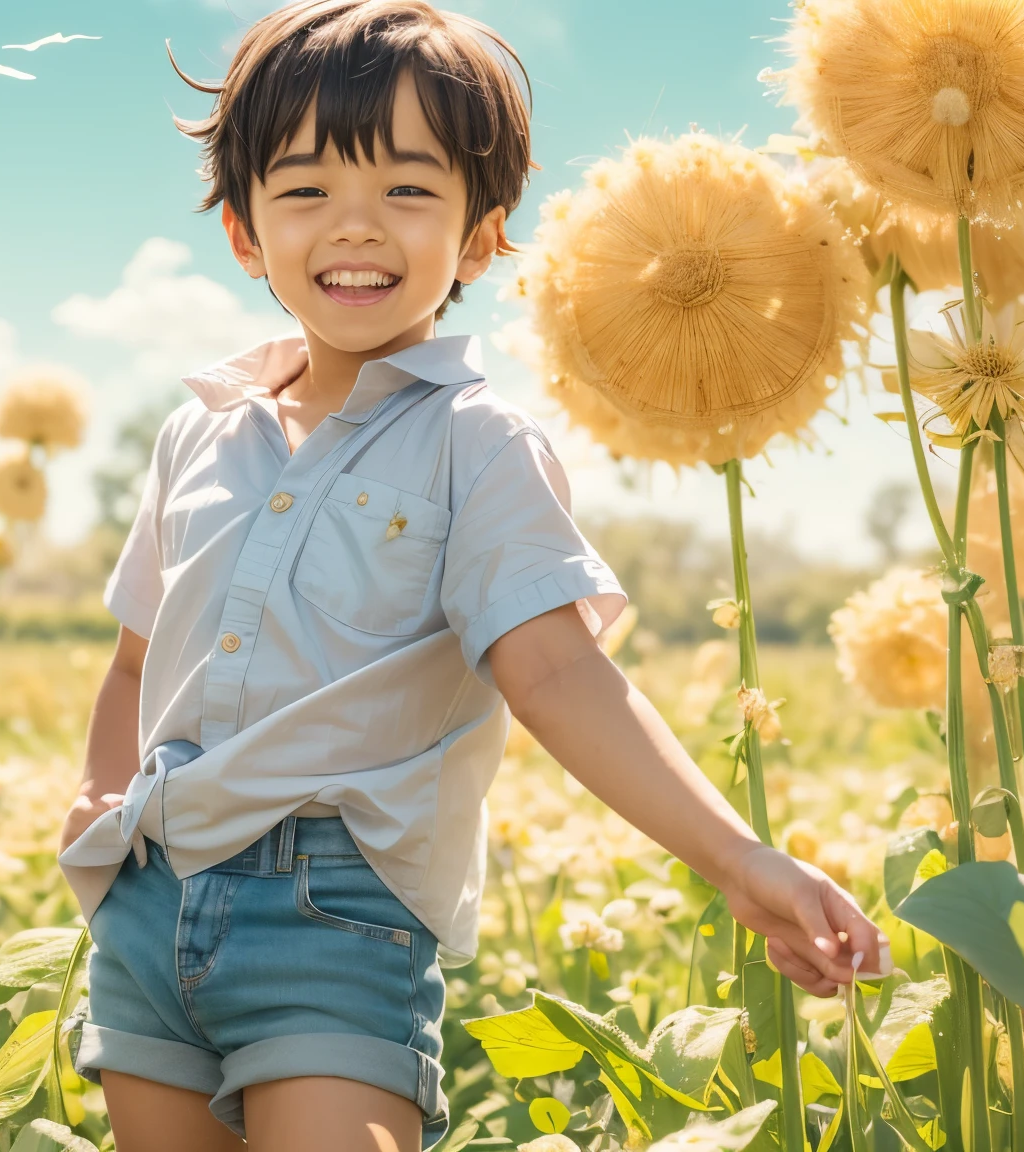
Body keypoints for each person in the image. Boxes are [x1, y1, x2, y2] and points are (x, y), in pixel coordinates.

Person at [57, 3, 887, 1148]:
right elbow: (137, 659)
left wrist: (737, 860)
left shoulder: (476, 442)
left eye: (406, 190)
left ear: (480, 235)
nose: (355, 227)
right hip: (148, 909)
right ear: (245, 233)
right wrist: (99, 822)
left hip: (334, 921)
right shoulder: (196, 435)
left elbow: (555, 670)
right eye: (303, 191)